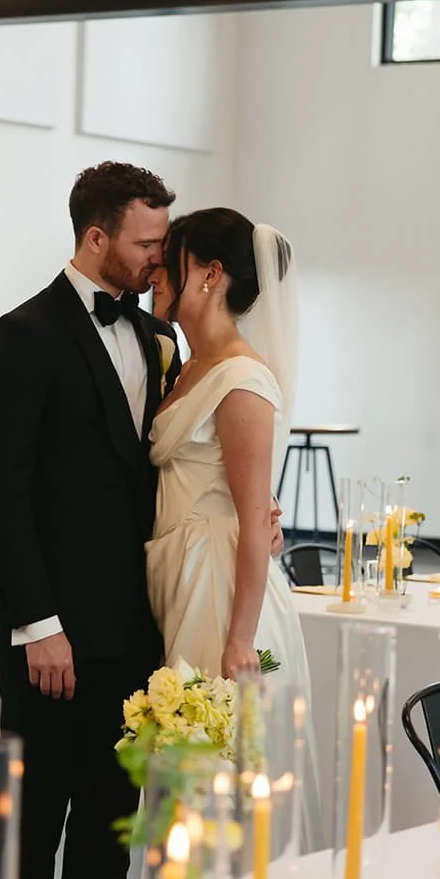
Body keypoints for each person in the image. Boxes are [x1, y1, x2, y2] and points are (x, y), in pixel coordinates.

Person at [0, 162, 179, 879]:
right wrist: (39, 624)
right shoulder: (22, 336)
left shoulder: (159, 337)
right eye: (146, 243)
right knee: (30, 832)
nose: (159, 257)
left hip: (132, 631)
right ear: (96, 238)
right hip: (50, 635)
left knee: (107, 830)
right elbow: (2, 493)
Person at [144, 206, 311, 738]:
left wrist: (240, 639)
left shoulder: (242, 380)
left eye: (170, 260)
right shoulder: (188, 367)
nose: (155, 274)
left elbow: (254, 517)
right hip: (180, 572)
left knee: (211, 749)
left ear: (211, 274)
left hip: (217, 585)